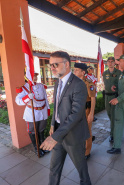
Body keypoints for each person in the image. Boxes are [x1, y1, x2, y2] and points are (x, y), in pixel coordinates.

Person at [40, 51, 91, 185]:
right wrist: (52, 124)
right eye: (50, 65)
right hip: (57, 132)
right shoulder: (57, 83)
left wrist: (55, 137)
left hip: (73, 135)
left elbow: (76, 114)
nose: (52, 68)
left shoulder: (78, 84)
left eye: (55, 64)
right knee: (54, 169)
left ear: (66, 64)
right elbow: (56, 106)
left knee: (82, 172)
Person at [15, 73, 50, 157]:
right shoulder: (24, 88)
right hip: (32, 113)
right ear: (27, 77)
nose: (35, 77)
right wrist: (27, 97)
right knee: (33, 131)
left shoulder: (41, 86)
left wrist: (47, 110)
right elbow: (18, 101)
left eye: (36, 76)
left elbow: (45, 98)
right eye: (33, 76)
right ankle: (36, 148)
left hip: (43, 111)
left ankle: (43, 146)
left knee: (41, 129)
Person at [74, 62, 96, 160]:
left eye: (76, 70)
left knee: (87, 132)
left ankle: (87, 152)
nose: (74, 71)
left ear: (83, 72)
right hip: (78, 110)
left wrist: (91, 114)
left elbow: (93, 99)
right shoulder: (75, 82)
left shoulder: (89, 83)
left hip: (86, 110)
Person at [102, 57, 121, 143]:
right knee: (109, 114)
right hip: (106, 97)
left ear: (114, 63)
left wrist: (115, 87)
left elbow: (121, 84)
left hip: (114, 96)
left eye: (112, 62)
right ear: (107, 63)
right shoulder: (104, 73)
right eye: (108, 62)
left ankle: (112, 135)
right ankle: (115, 127)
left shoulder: (119, 73)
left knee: (113, 116)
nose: (110, 63)